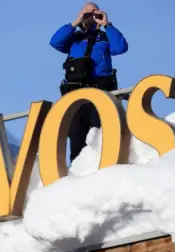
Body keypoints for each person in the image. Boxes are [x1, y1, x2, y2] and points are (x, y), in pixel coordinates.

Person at [49, 2, 129, 163]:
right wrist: (75, 22)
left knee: (101, 137)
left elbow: (120, 48)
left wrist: (106, 24)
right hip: (75, 96)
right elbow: (55, 42)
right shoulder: (74, 39)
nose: (90, 16)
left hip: (100, 92)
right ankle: (77, 175)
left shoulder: (105, 38)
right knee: (76, 139)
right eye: (87, 12)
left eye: (94, 12)